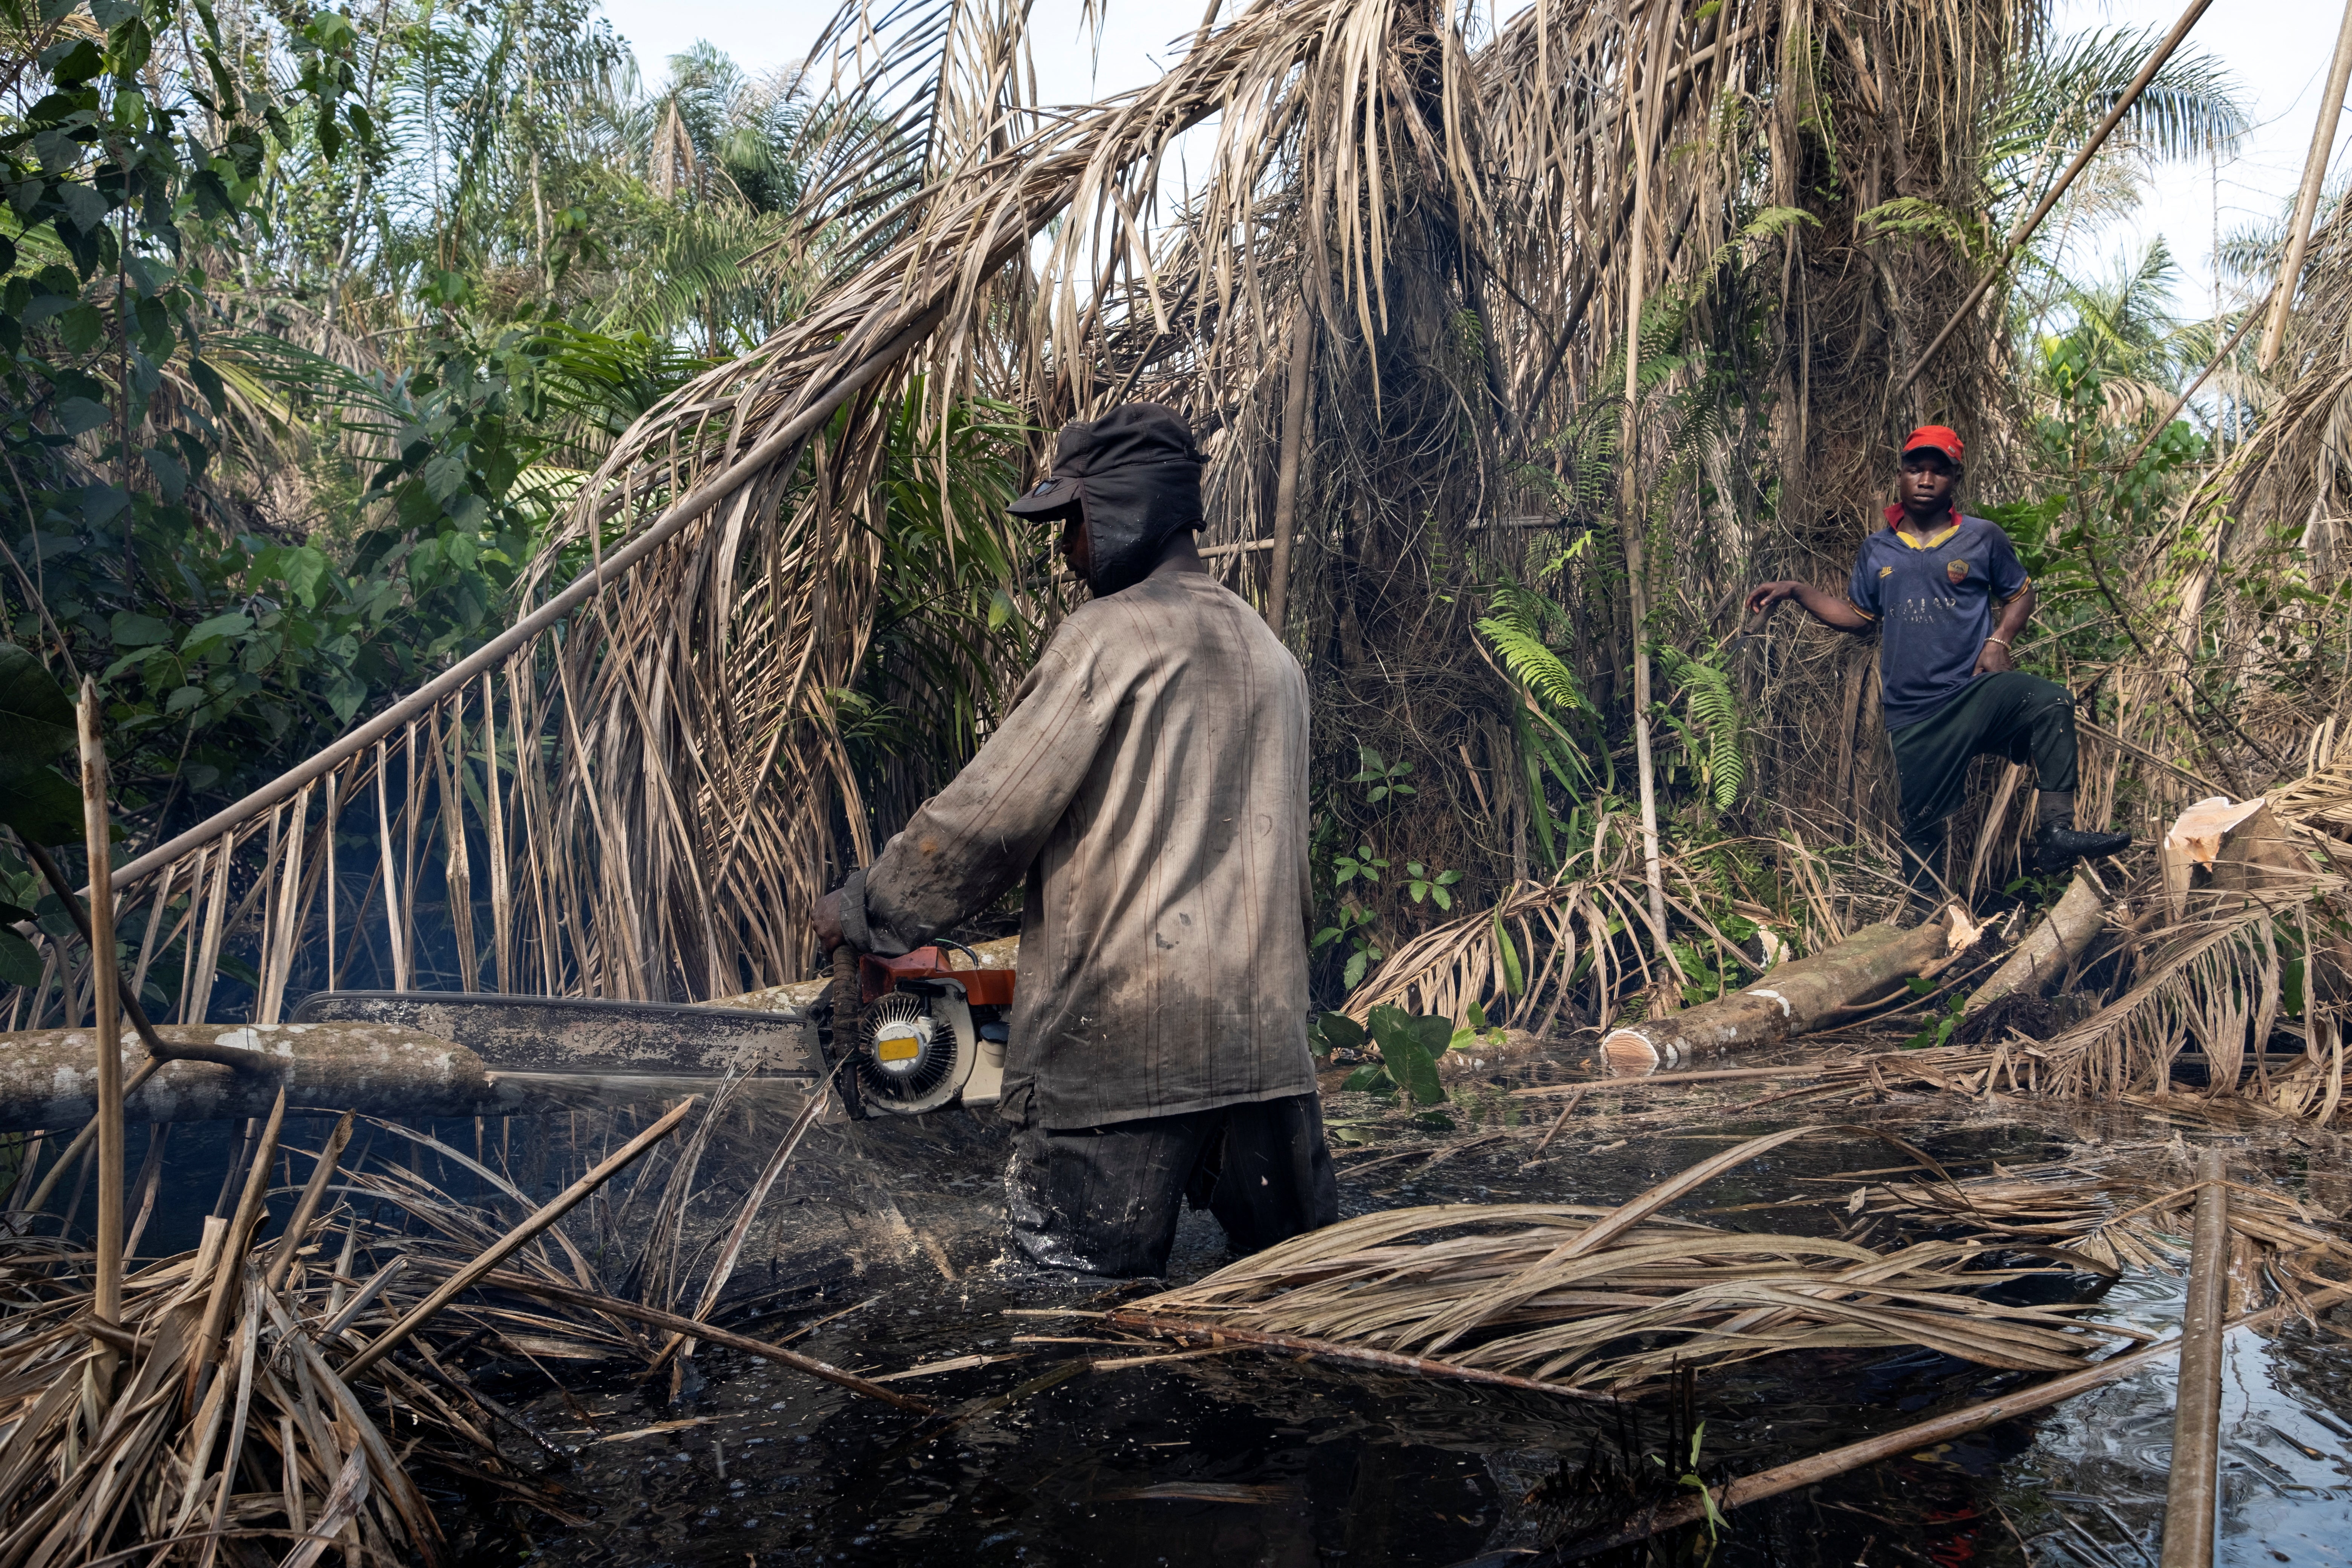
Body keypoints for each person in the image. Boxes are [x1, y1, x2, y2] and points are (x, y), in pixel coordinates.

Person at [809, 402, 1337, 1278]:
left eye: (1075, 526)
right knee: (1284, 1322)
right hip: (1267, 1063)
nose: (1066, 553)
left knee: (1069, 1336)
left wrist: (870, 909)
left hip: (1121, 1060)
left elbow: (989, 819)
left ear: (1125, 508)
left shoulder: (1107, 639)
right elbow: (1290, 875)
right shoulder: (1269, 654)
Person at [1745, 424, 2130, 906]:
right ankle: (1924, 921)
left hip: (1970, 693)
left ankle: (2056, 833)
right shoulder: (1877, 550)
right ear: (1901, 477)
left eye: (1938, 470)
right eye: (1915, 469)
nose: (1926, 479)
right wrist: (1796, 590)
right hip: (1913, 710)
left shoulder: (1981, 538)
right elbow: (1860, 617)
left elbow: (2022, 592)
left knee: (2049, 701)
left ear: (1954, 478)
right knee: (1921, 821)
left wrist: (1998, 638)